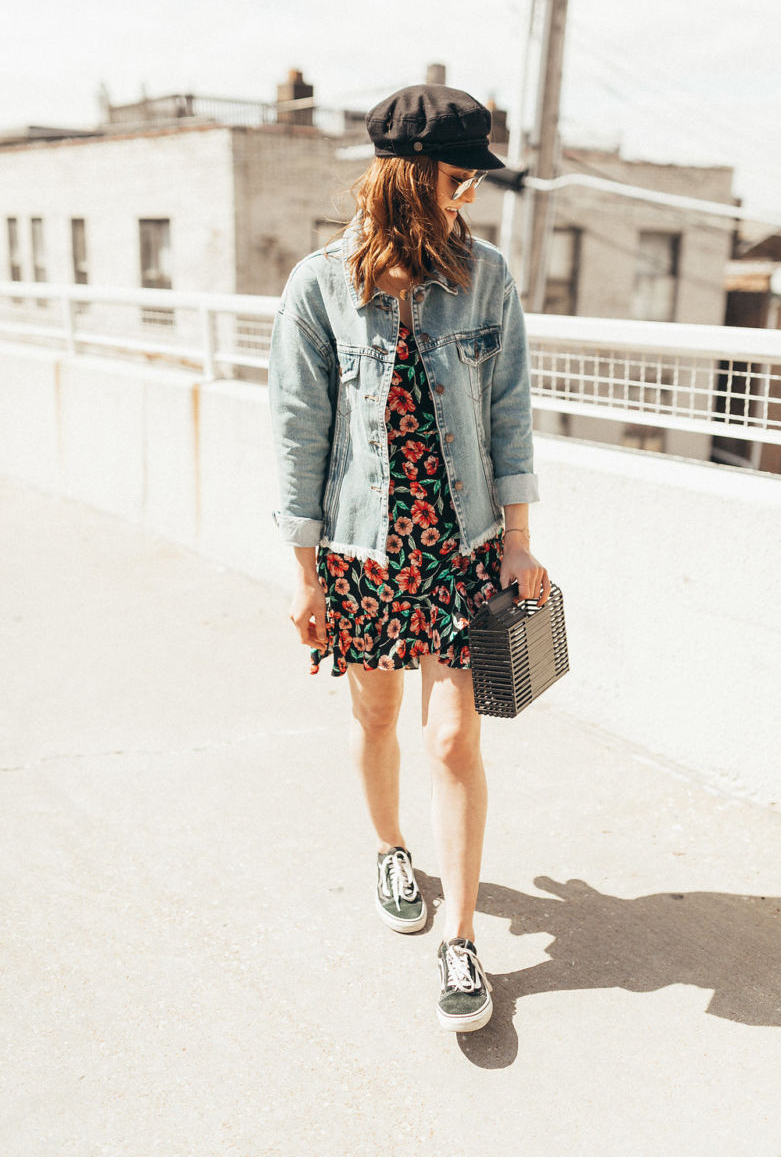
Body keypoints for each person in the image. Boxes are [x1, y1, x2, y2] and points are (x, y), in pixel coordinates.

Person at [269, 84, 550, 1033]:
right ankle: (391, 848)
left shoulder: (487, 277)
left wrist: (517, 541)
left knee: (456, 739)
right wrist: (304, 570)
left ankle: (462, 941)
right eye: (462, 171)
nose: (471, 189)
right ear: (416, 174)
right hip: (360, 549)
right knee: (378, 710)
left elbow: (510, 414)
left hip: (462, 545)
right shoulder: (319, 284)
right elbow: (299, 431)